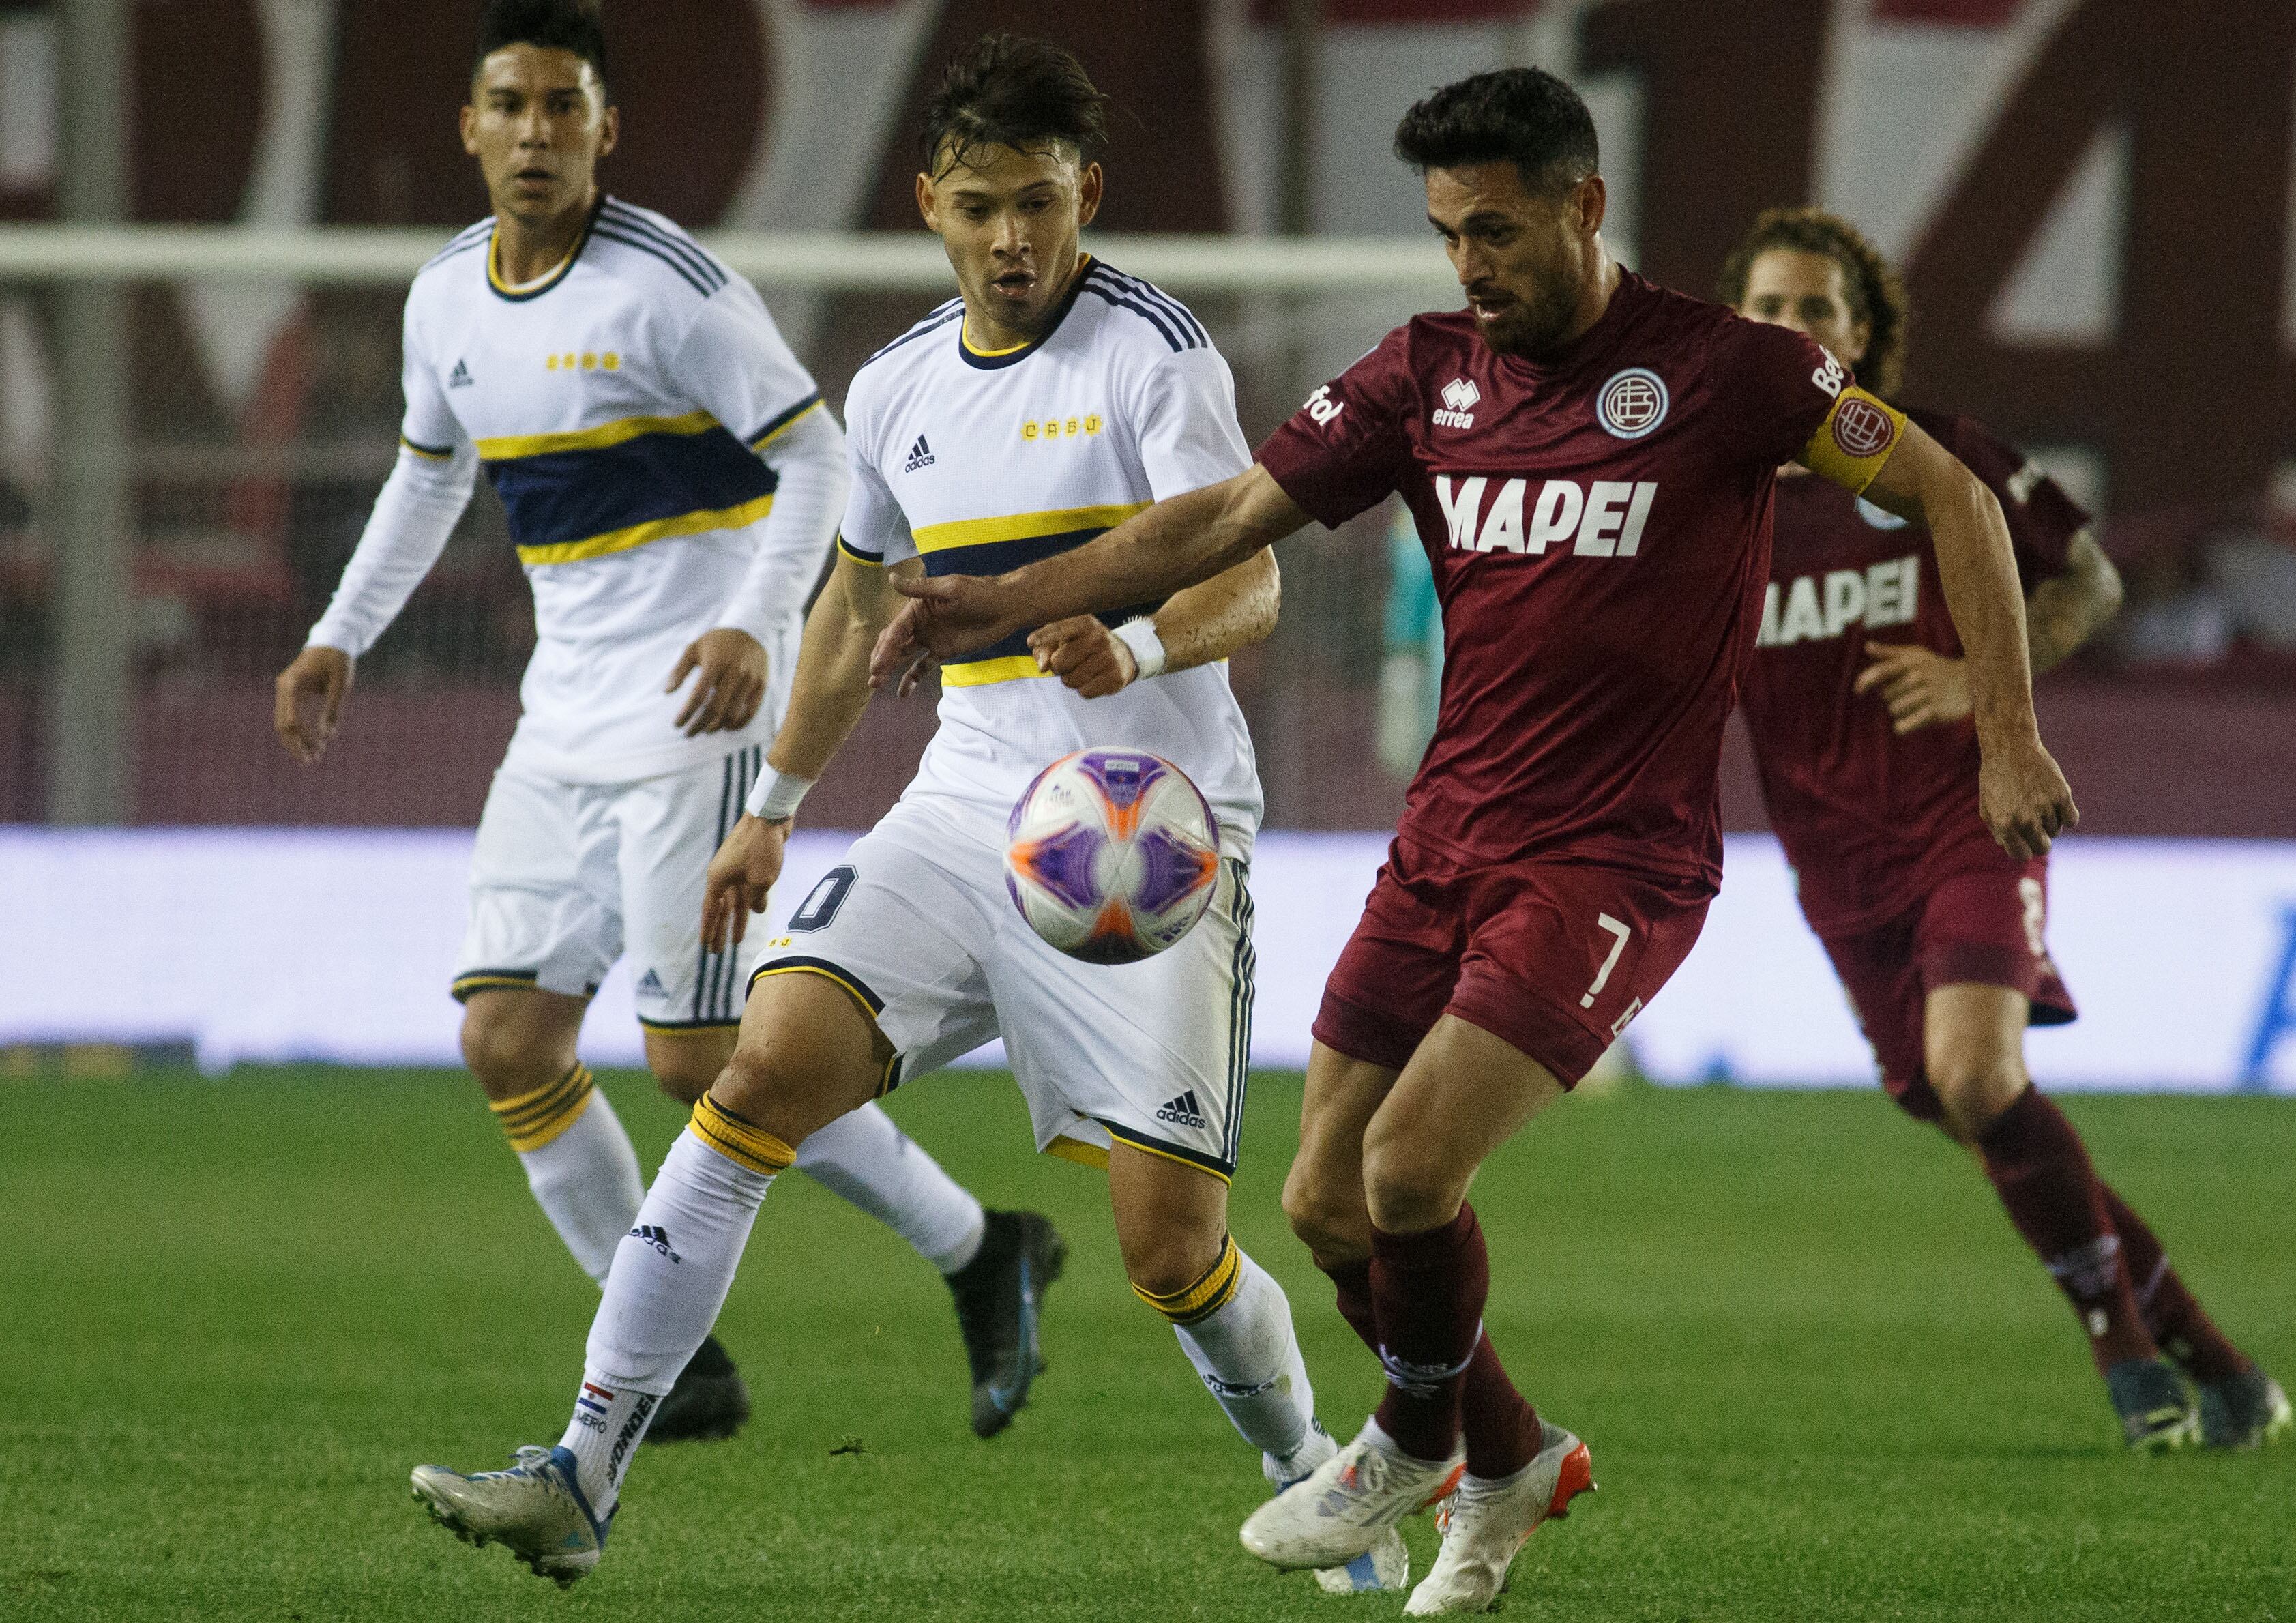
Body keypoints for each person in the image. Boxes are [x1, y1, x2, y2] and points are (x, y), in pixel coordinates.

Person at [874, 67, 2078, 1615]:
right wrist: (1021, 594)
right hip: (1443, 839)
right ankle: (1510, 1462)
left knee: (1407, 1164)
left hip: (1614, 861)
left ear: (1584, 206)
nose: (1470, 266)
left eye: (1497, 231)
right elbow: (1224, 517)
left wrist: (2007, 725)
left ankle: (1410, 1434)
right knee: (1317, 1201)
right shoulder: (1424, 373)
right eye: (1448, 233)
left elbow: (1956, 496)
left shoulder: (1736, 373)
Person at [406, 34, 1408, 1597]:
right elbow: (848, 611)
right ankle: (582, 1471)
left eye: (1045, 205)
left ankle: (1315, 1475)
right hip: (960, 810)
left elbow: (1250, 571)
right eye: (985, 208)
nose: (1016, 240)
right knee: (751, 1077)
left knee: (1167, 1252)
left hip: (1146, 835)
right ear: (930, 203)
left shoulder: (1157, 355)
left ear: (1090, 196)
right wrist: (778, 806)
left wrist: (1133, 641)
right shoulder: (896, 387)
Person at [274, 0, 1052, 1452]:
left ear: (605, 131)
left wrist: (755, 627)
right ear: (470, 125)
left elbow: (817, 454)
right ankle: (675, 1360)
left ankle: (980, 1244)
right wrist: (337, 633)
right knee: (507, 1034)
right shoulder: (444, 296)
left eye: (564, 108)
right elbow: (429, 478)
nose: (534, 134)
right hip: (557, 722)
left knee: (700, 1062)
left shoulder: (670, 290)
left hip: (697, 724)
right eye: (509, 105)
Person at [1722, 206, 2286, 1452]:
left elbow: (2088, 577)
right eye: (1766, 307)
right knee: (1972, 1107)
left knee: (1979, 1076)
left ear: (1857, 336)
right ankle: (2227, 1370)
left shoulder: (1930, 457)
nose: (1788, 327)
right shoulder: (1717, 511)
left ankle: (2128, 1360)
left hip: (1965, 817)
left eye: (1814, 307)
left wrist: (1987, 682)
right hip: (1834, 869)